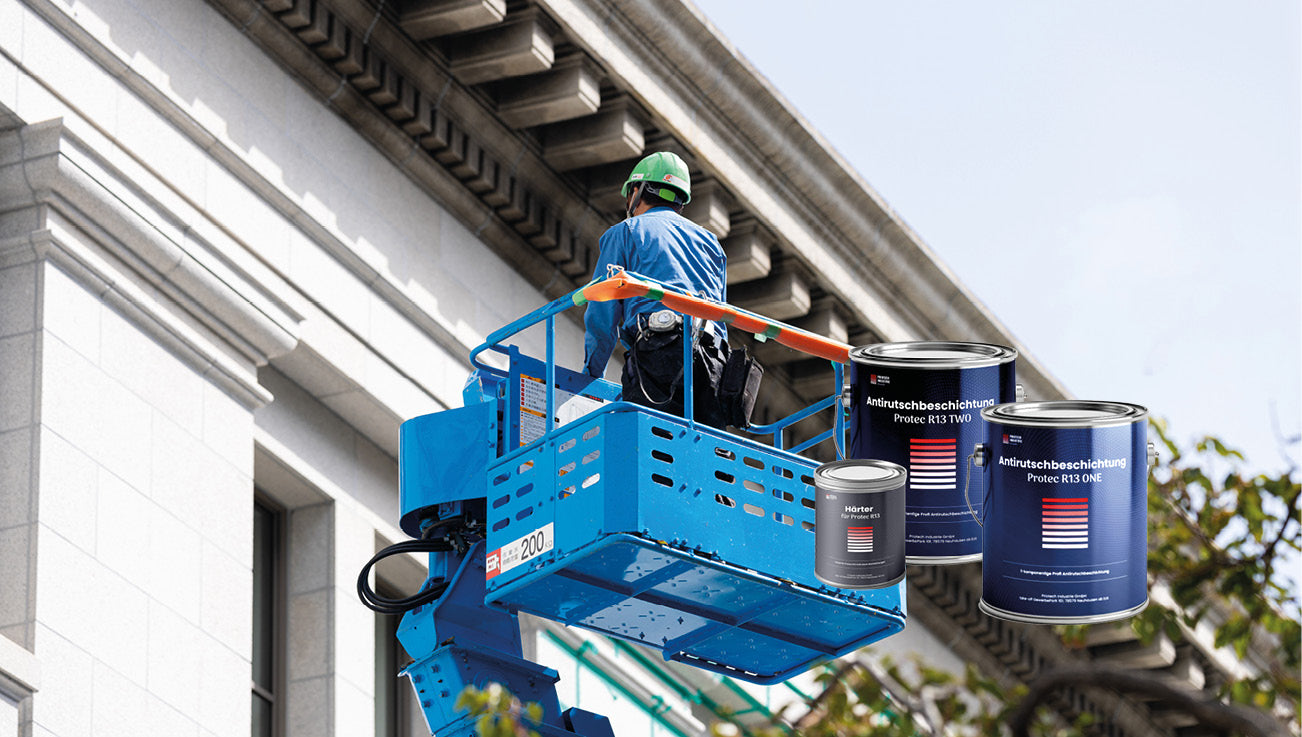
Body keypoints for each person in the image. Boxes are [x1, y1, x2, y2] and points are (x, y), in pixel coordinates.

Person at [583, 151, 730, 427]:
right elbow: (720, 318)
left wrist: (590, 376)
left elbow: (601, 316)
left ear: (637, 191)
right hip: (713, 364)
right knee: (708, 454)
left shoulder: (626, 231)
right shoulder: (712, 244)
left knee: (648, 441)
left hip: (658, 356)